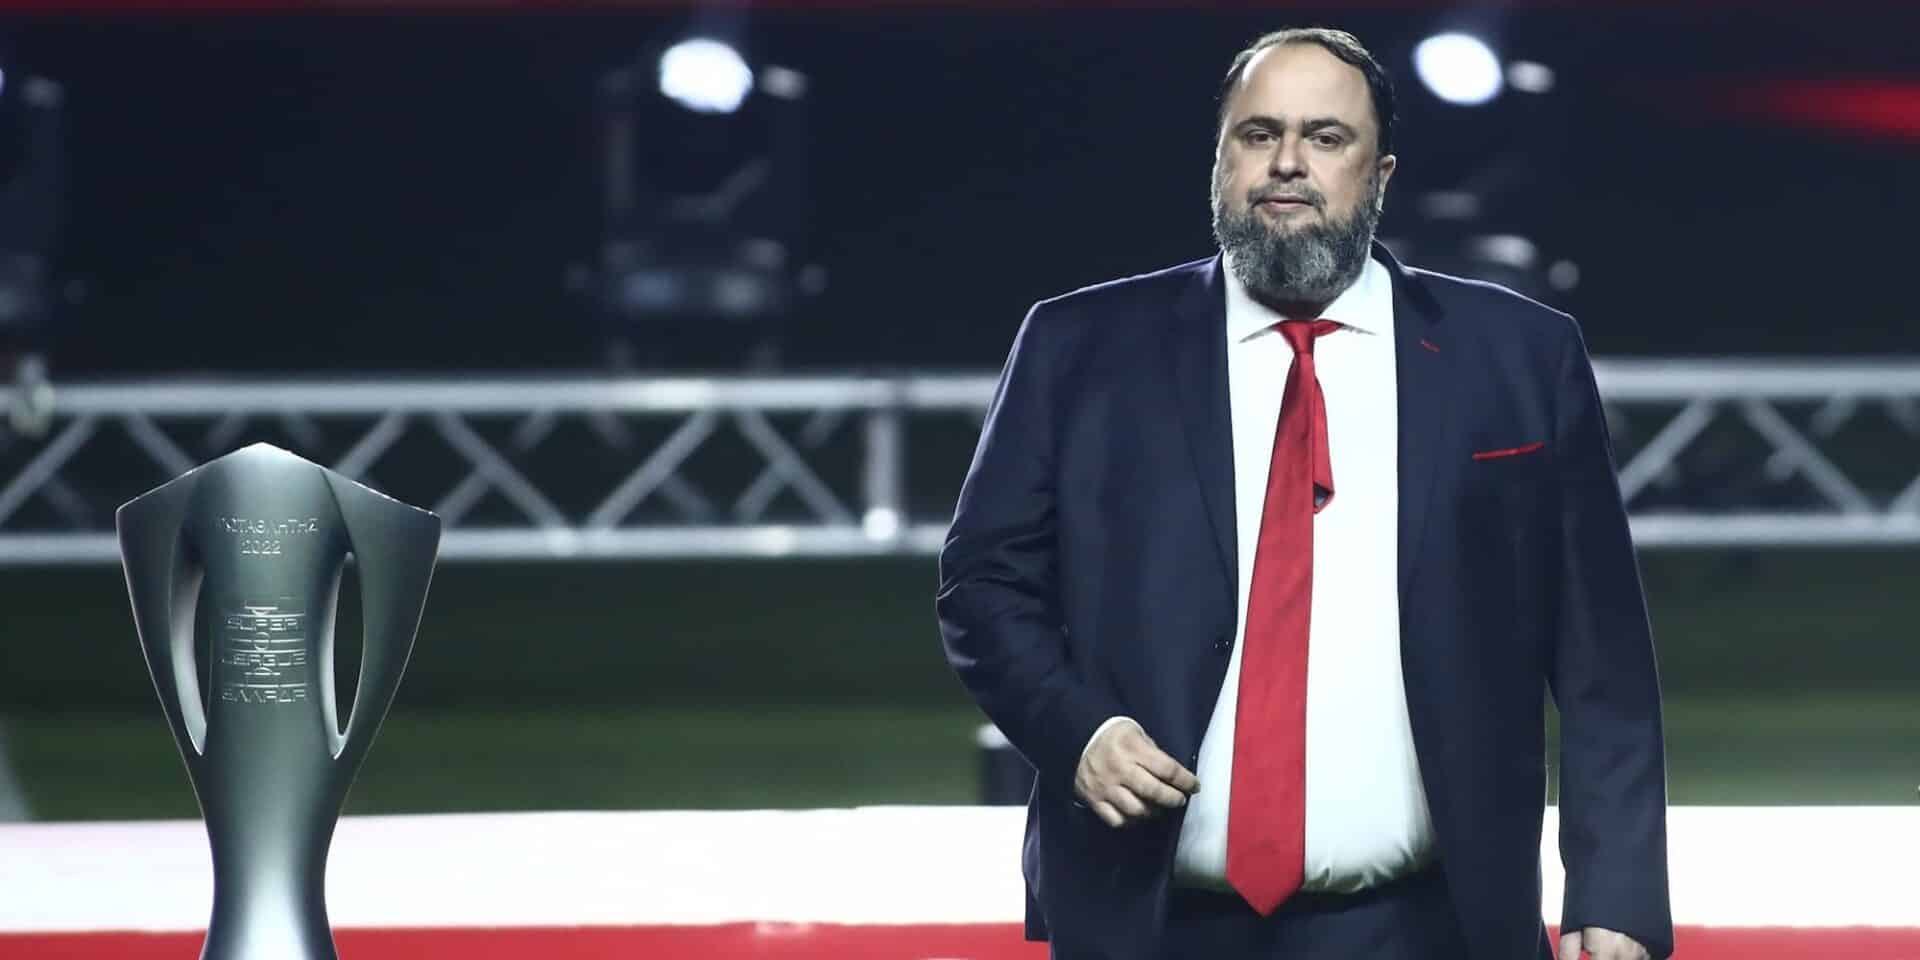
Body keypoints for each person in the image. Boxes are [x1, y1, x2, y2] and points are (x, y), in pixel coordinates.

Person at [937, 27, 1672, 960]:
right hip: (1150, 925)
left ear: (1381, 173)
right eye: (1259, 134)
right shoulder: (1079, 348)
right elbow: (983, 587)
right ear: (1219, 162)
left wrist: (1615, 890)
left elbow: (1603, 653)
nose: (1287, 162)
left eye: (1326, 137)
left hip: (1431, 927)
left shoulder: (1519, 356)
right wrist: (1076, 731)